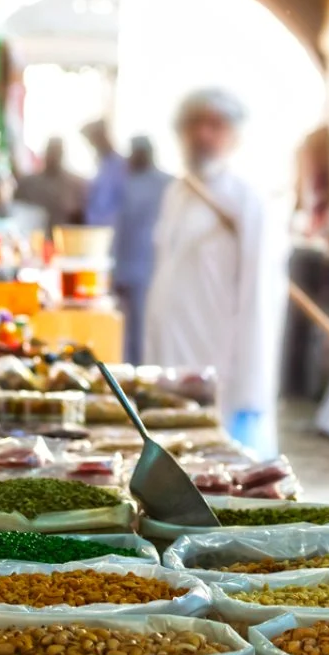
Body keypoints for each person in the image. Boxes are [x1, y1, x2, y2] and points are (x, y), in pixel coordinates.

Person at [145, 87, 287, 456]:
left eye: (215, 125)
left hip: (222, 366)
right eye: (194, 124)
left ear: (234, 136)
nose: (203, 135)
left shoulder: (247, 200)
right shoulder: (176, 193)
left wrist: (250, 388)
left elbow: (259, 297)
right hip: (171, 358)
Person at [112, 135, 172, 363]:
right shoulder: (127, 183)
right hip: (130, 267)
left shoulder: (169, 184)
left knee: (152, 327)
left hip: (156, 267)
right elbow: (120, 229)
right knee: (131, 328)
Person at [14, 137, 89, 231]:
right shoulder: (28, 183)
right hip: (33, 238)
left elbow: (82, 219)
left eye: (57, 152)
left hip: (64, 240)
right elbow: (14, 213)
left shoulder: (75, 185)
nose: (53, 156)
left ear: (62, 154)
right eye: (51, 151)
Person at [83, 119, 128, 227]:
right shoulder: (99, 166)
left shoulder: (121, 166)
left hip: (112, 230)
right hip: (95, 230)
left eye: (95, 138)